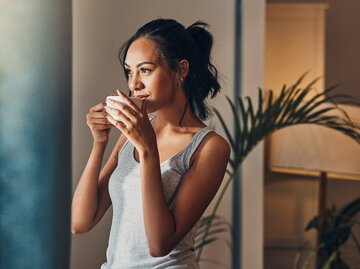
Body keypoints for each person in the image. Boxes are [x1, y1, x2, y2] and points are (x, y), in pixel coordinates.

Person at [71, 18, 230, 269]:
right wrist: (99, 143)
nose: (134, 84)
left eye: (145, 70)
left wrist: (148, 151)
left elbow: (159, 244)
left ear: (182, 69)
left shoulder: (210, 147)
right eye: (129, 71)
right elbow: (81, 222)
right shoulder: (131, 134)